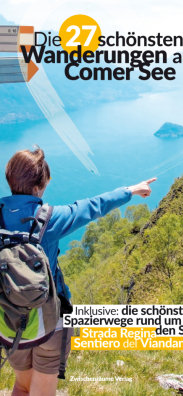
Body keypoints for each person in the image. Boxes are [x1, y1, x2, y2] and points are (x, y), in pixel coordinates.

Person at [0, 147, 156, 396]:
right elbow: (92, 206)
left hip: (8, 323)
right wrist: (131, 190)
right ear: (41, 185)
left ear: (10, 180)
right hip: (50, 324)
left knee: (21, 386)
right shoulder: (49, 219)